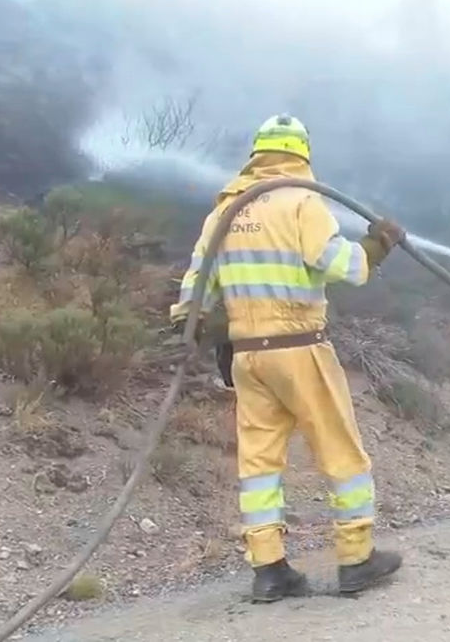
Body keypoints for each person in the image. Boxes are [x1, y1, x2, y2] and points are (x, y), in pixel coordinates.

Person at [170, 114, 406, 601]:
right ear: (301, 154)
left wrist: (187, 324)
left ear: (256, 154)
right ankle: (356, 557)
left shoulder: (226, 211)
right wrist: (378, 244)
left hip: (247, 357)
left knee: (259, 462)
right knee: (341, 451)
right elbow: (345, 266)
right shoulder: (302, 202)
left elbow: (198, 280)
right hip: (300, 349)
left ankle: (269, 568)